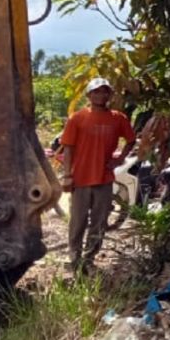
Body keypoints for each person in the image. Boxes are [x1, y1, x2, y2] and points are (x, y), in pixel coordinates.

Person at [59, 77, 137, 273]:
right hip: (81, 178)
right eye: (96, 92)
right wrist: (67, 175)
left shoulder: (118, 118)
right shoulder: (77, 118)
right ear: (89, 95)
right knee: (78, 220)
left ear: (109, 95)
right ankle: (74, 257)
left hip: (104, 177)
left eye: (104, 92)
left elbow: (131, 140)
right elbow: (68, 148)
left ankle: (89, 259)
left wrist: (120, 160)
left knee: (100, 221)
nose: (100, 95)